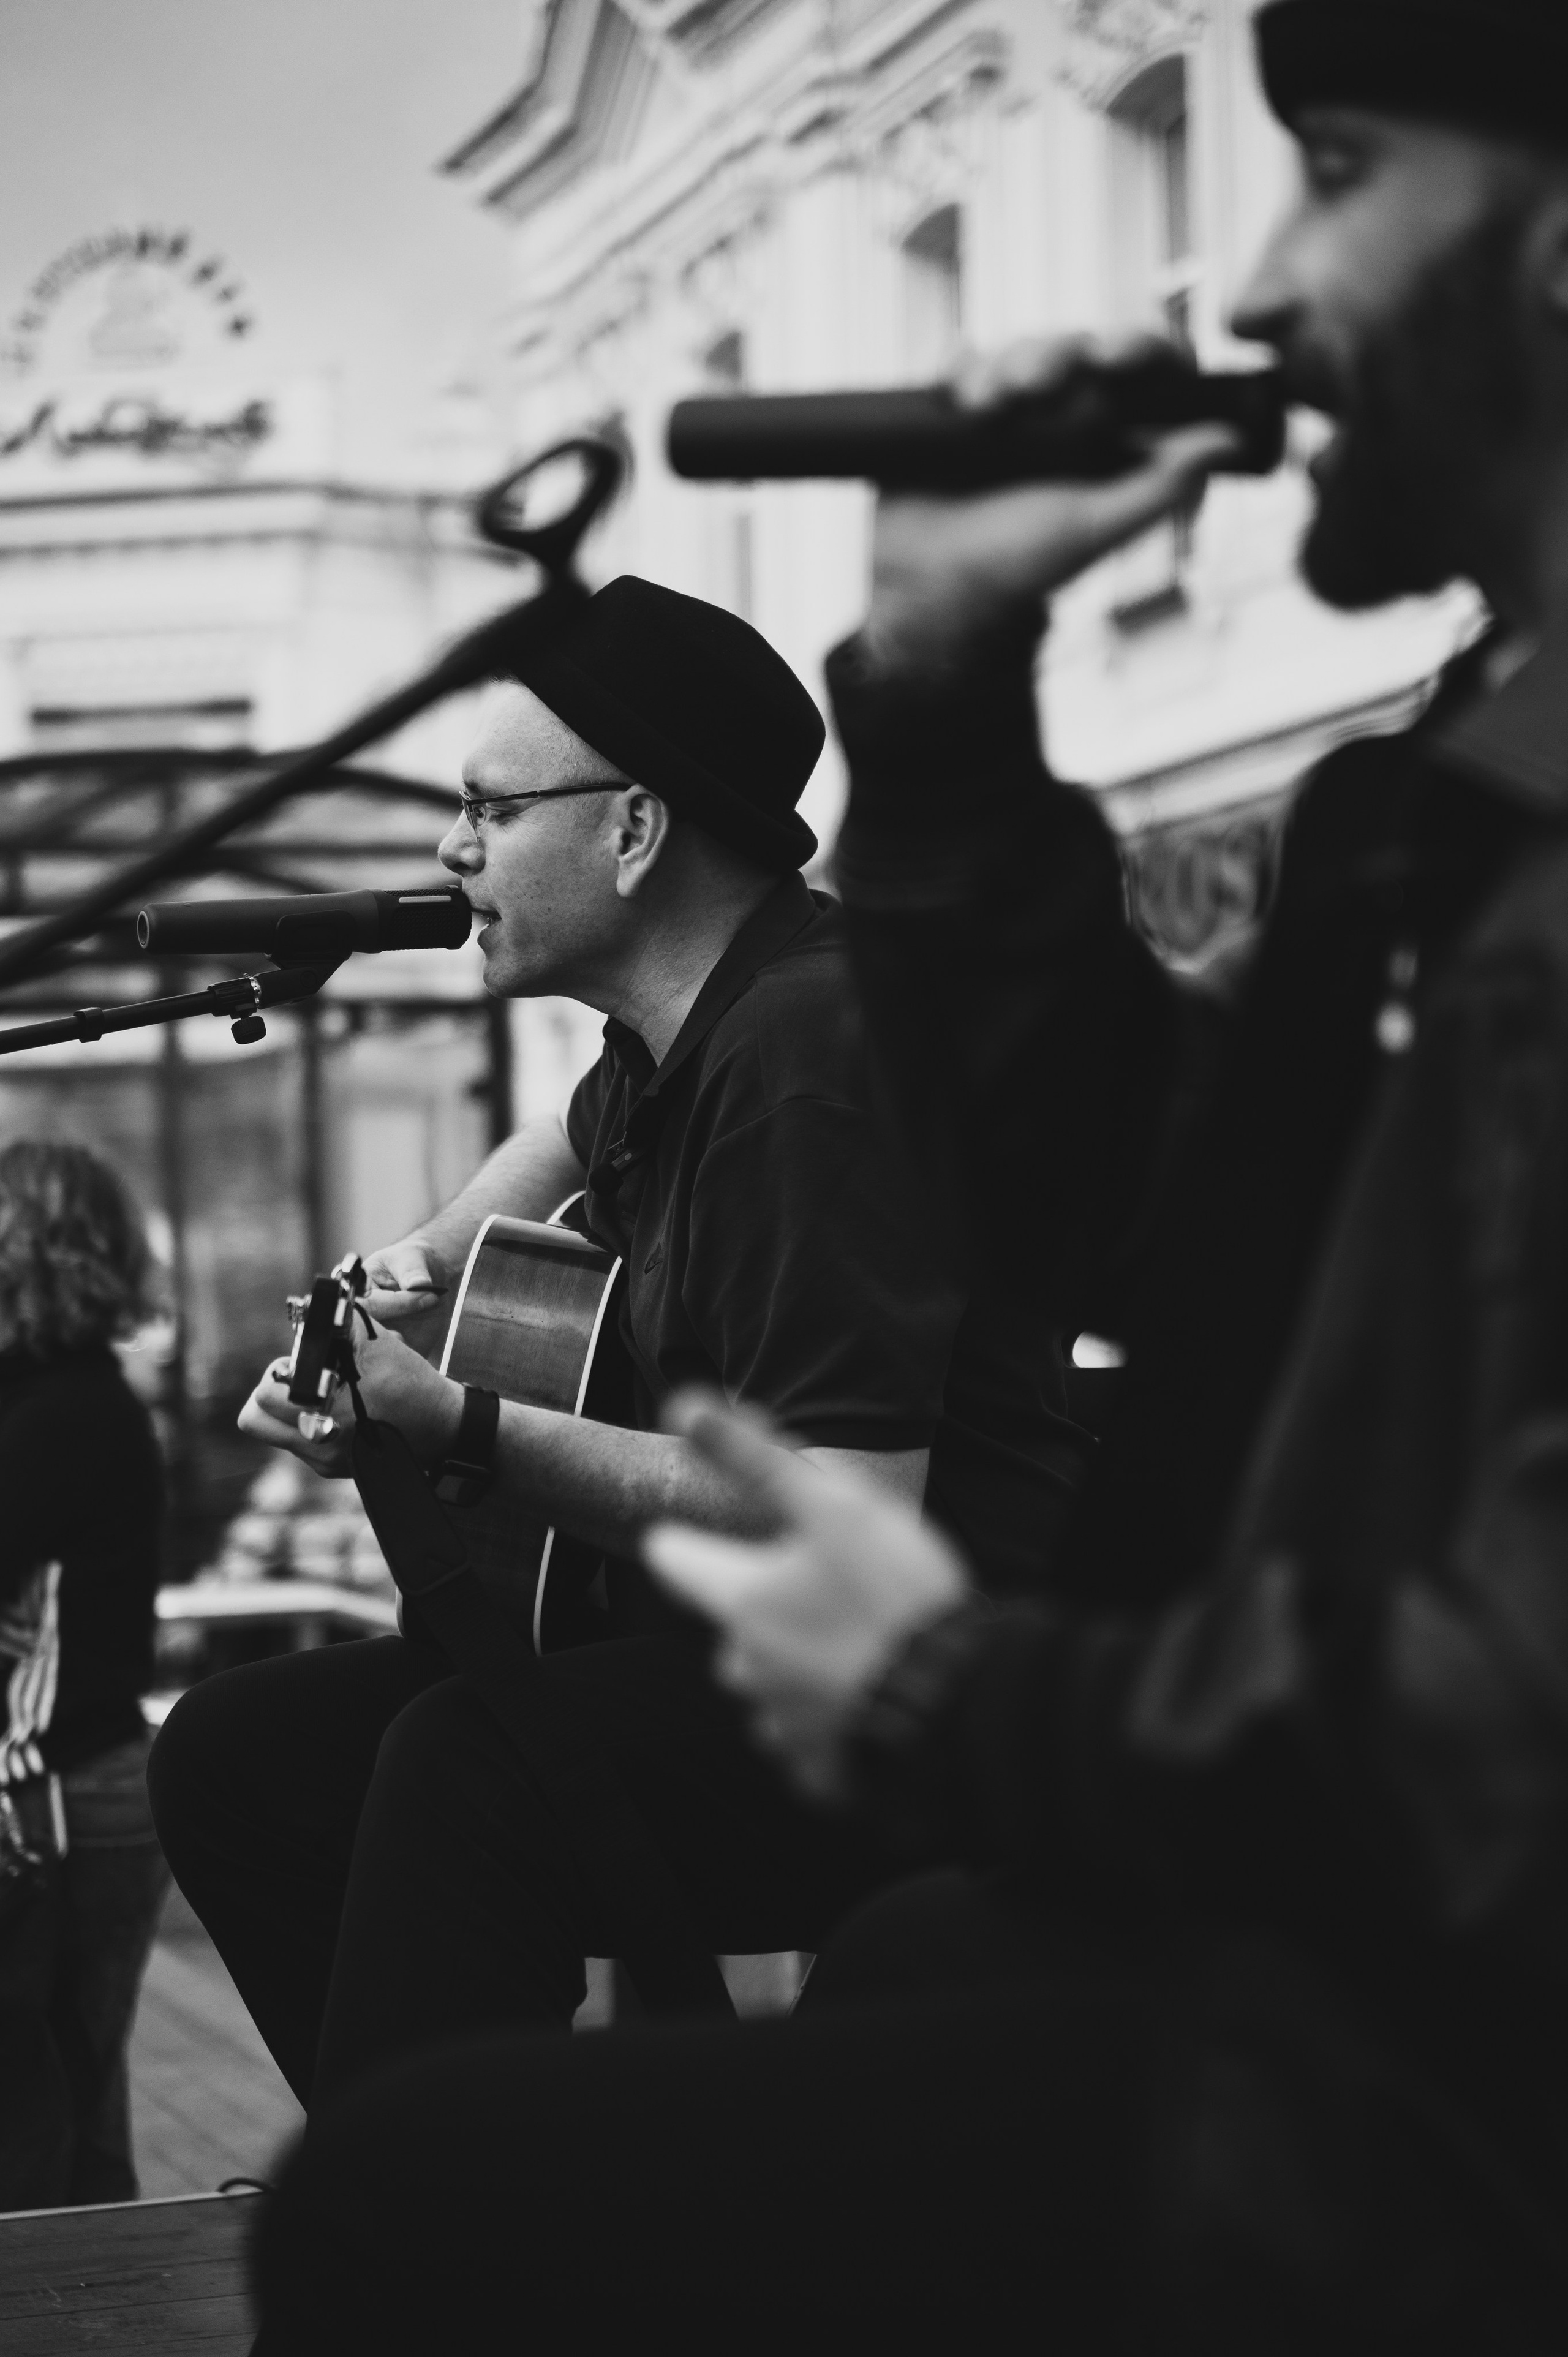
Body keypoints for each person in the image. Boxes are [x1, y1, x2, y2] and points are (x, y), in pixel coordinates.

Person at [251, 1, 1568, 2344]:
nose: (1252, 292)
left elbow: (1503, 1705)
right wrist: (945, 676)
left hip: (1415, 2033)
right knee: (570, 1873)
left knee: (399, 2175)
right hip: (1220, 1856)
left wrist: (977, 1692)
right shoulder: (1442, 796)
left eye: (1339, 166)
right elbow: (1155, 1185)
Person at [149, 575, 1084, 2109]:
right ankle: (454, 2191)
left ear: (633, 831)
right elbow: (560, 1142)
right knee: (238, 1755)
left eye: (487, 811)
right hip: (739, 1654)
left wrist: (459, 1421)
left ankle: (459, 2242)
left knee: (467, 1763)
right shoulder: (684, 1030)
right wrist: (408, 1265)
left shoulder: (808, 1051)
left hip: (911, 1697)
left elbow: (841, 1499)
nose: (451, 851)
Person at [0, 1141, 166, 2211]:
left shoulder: (65, 1415)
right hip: (73, 1784)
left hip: (56, 1795)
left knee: (39, 2112)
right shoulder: (57, 1401)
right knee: (66, 2097)